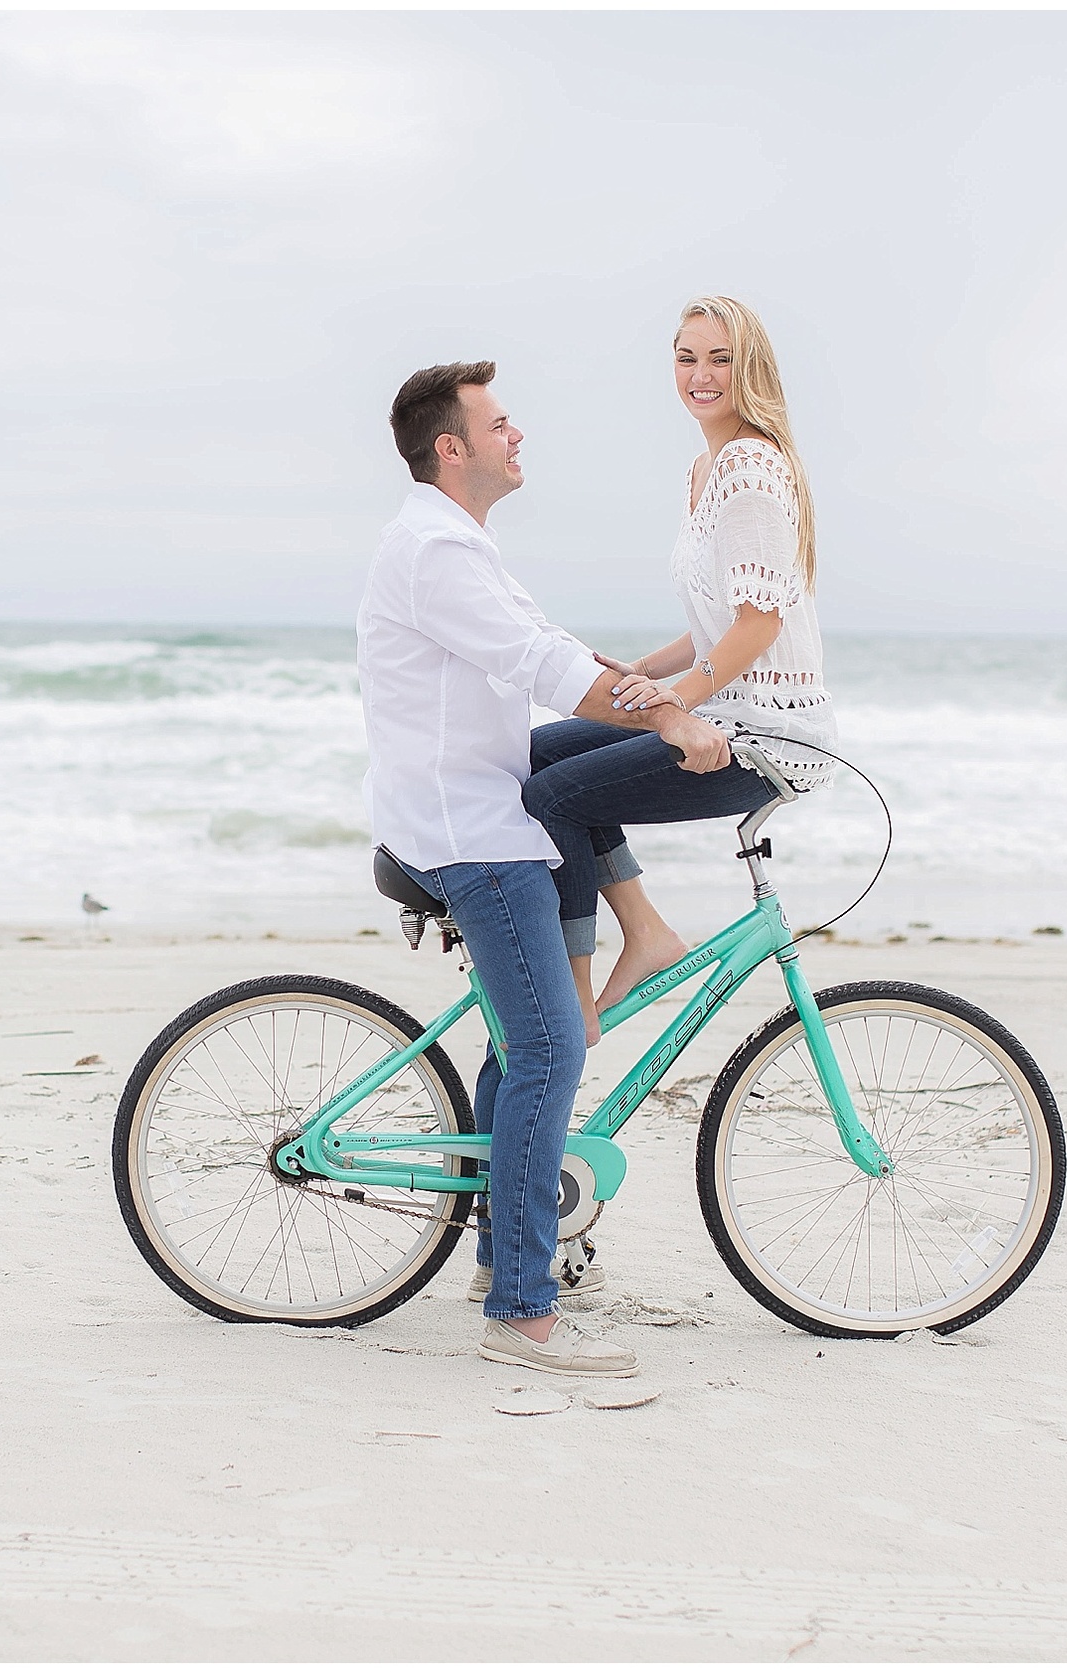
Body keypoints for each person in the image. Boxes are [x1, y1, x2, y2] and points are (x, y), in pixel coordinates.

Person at [358, 360, 729, 1378]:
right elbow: (551, 673)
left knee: (523, 1036)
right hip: (467, 830)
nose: (516, 435)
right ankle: (520, 1309)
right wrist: (676, 720)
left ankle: (495, 1260)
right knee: (548, 1051)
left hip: (479, 802)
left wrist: (663, 680)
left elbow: (550, 645)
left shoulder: (459, 544)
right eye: (500, 422)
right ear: (452, 447)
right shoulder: (434, 549)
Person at [521, 296, 838, 1039]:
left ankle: (574, 999)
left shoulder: (751, 468)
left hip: (768, 736)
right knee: (538, 751)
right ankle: (648, 933)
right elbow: (717, 624)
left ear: (749, 367)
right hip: (723, 708)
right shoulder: (707, 467)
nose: (701, 374)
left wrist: (678, 695)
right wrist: (640, 672)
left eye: (720, 358)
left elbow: (760, 623)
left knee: (556, 798)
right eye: (687, 356)